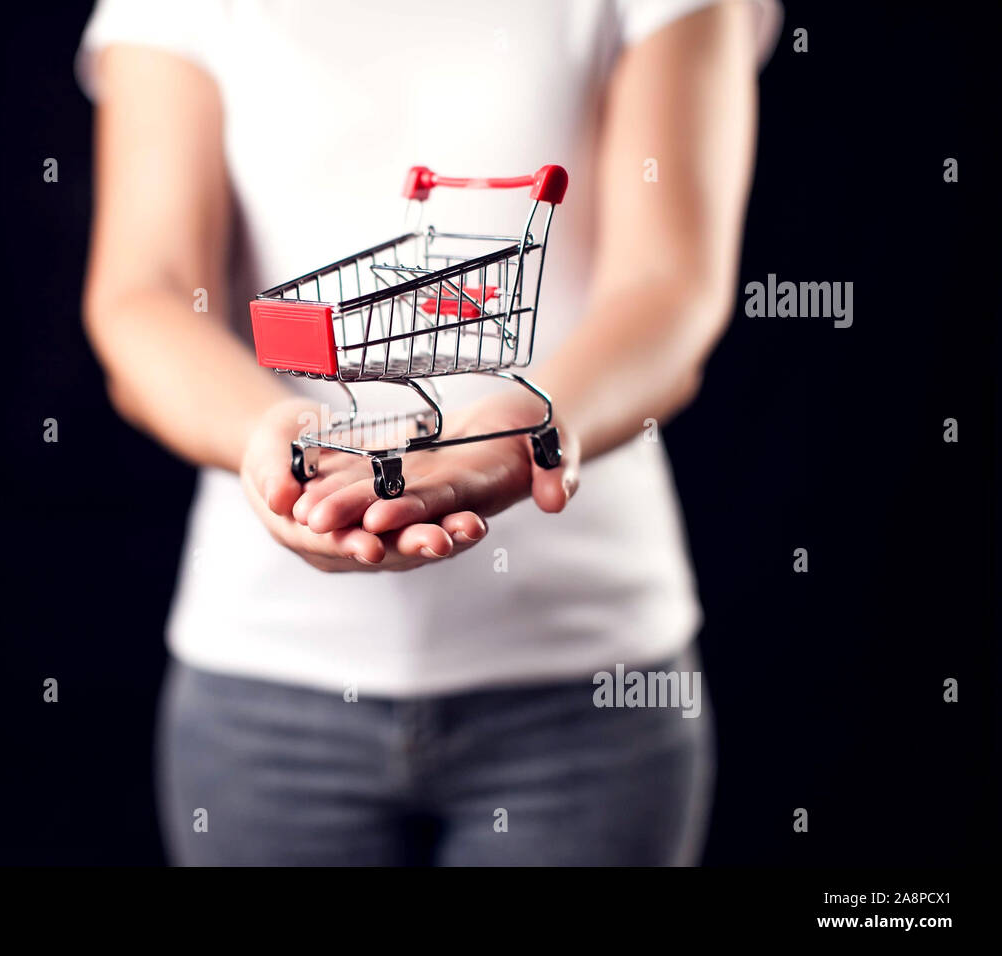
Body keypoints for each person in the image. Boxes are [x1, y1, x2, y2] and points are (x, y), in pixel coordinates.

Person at [77, 0, 781, 865]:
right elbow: (144, 291)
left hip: (590, 678)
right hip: (263, 679)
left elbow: (670, 288)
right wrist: (271, 434)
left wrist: (519, 430)